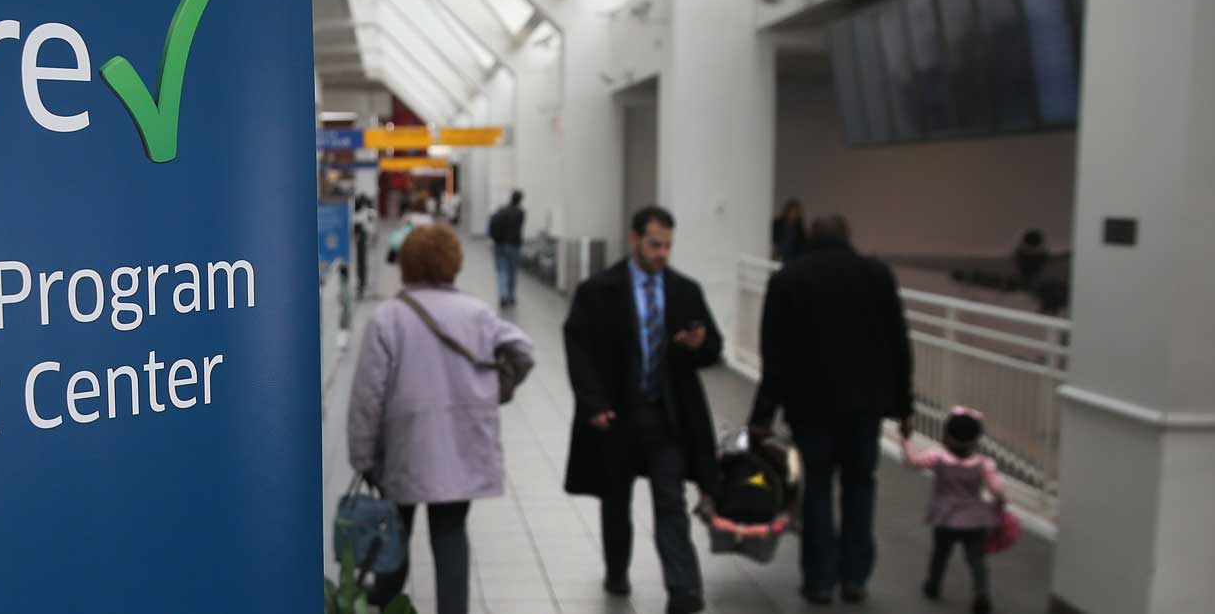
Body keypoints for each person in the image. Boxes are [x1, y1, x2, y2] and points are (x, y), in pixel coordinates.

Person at [349, 225, 534, 614]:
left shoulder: (388, 318)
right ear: (454, 262)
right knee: (450, 535)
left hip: (405, 449)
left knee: (393, 531)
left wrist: (363, 457)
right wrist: (500, 386)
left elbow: (368, 398)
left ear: (406, 264)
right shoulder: (477, 314)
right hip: (462, 448)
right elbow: (523, 350)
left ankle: (387, 603)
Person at [562, 206, 724, 614]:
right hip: (618, 416)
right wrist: (593, 403)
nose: (662, 254)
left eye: (668, 246)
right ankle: (617, 569)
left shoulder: (684, 291)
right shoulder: (599, 291)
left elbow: (713, 348)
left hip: (666, 417)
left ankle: (683, 589)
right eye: (654, 245)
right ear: (634, 239)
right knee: (615, 500)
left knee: (670, 501)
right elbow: (578, 349)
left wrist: (699, 345)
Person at [748, 215, 913, 605]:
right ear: (848, 236)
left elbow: (775, 357)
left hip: (810, 407)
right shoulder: (877, 276)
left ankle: (820, 580)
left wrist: (762, 417)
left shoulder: (788, 279)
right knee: (860, 484)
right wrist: (904, 406)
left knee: (817, 489)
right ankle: (854, 577)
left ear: (810, 237)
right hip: (865, 409)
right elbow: (898, 343)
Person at [903, 408, 1005, 614]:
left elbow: (913, 461)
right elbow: (997, 489)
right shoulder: (984, 464)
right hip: (975, 519)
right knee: (976, 559)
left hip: (946, 518)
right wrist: (1000, 503)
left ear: (946, 436)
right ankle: (981, 592)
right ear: (976, 440)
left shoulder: (938, 457)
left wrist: (906, 440)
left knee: (940, 554)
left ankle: (933, 585)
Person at [487, 190, 527, 308]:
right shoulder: (520, 213)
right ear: (520, 200)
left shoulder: (501, 210)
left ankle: (503, 295)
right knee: (512, 272)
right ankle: (511, 296)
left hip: (499, 245)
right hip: (513, 245)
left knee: (502, 272)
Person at [353, 195, 376, 292]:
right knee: (361, 262)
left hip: (364, 239)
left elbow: (371, 225)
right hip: (361, 240)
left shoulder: (367, 213)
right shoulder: (359, 215)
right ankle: (362, 280)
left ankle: (363, 280)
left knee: (363, 262)